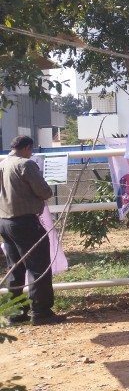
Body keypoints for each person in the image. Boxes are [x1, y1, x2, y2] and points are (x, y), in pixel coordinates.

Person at [0, 135, 62, 325]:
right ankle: (41, 311)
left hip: (5, 221)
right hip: (25, 221)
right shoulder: (25, 165)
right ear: (27, 148)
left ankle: (15, 313)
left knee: (15, 268)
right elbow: (44, 191)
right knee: (38, 265)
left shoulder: (2, 164)